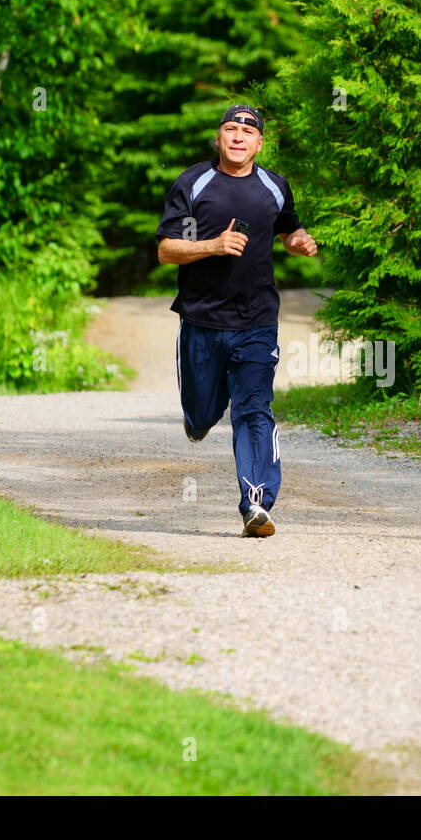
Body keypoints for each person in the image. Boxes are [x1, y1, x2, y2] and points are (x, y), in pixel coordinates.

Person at [155, 105, 318, 537]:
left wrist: (299, 241)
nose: (239, 137)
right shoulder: (194, 184)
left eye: (248, 131)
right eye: (230, 129)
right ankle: (198, 418)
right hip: (202, 320)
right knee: (203, 412)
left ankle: (256, 504)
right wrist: (213, 245)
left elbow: (288, 227)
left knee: (253, 409)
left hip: (257, 320)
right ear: (218, 139)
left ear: (260, 143)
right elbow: (167, 249)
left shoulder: (274, 186)